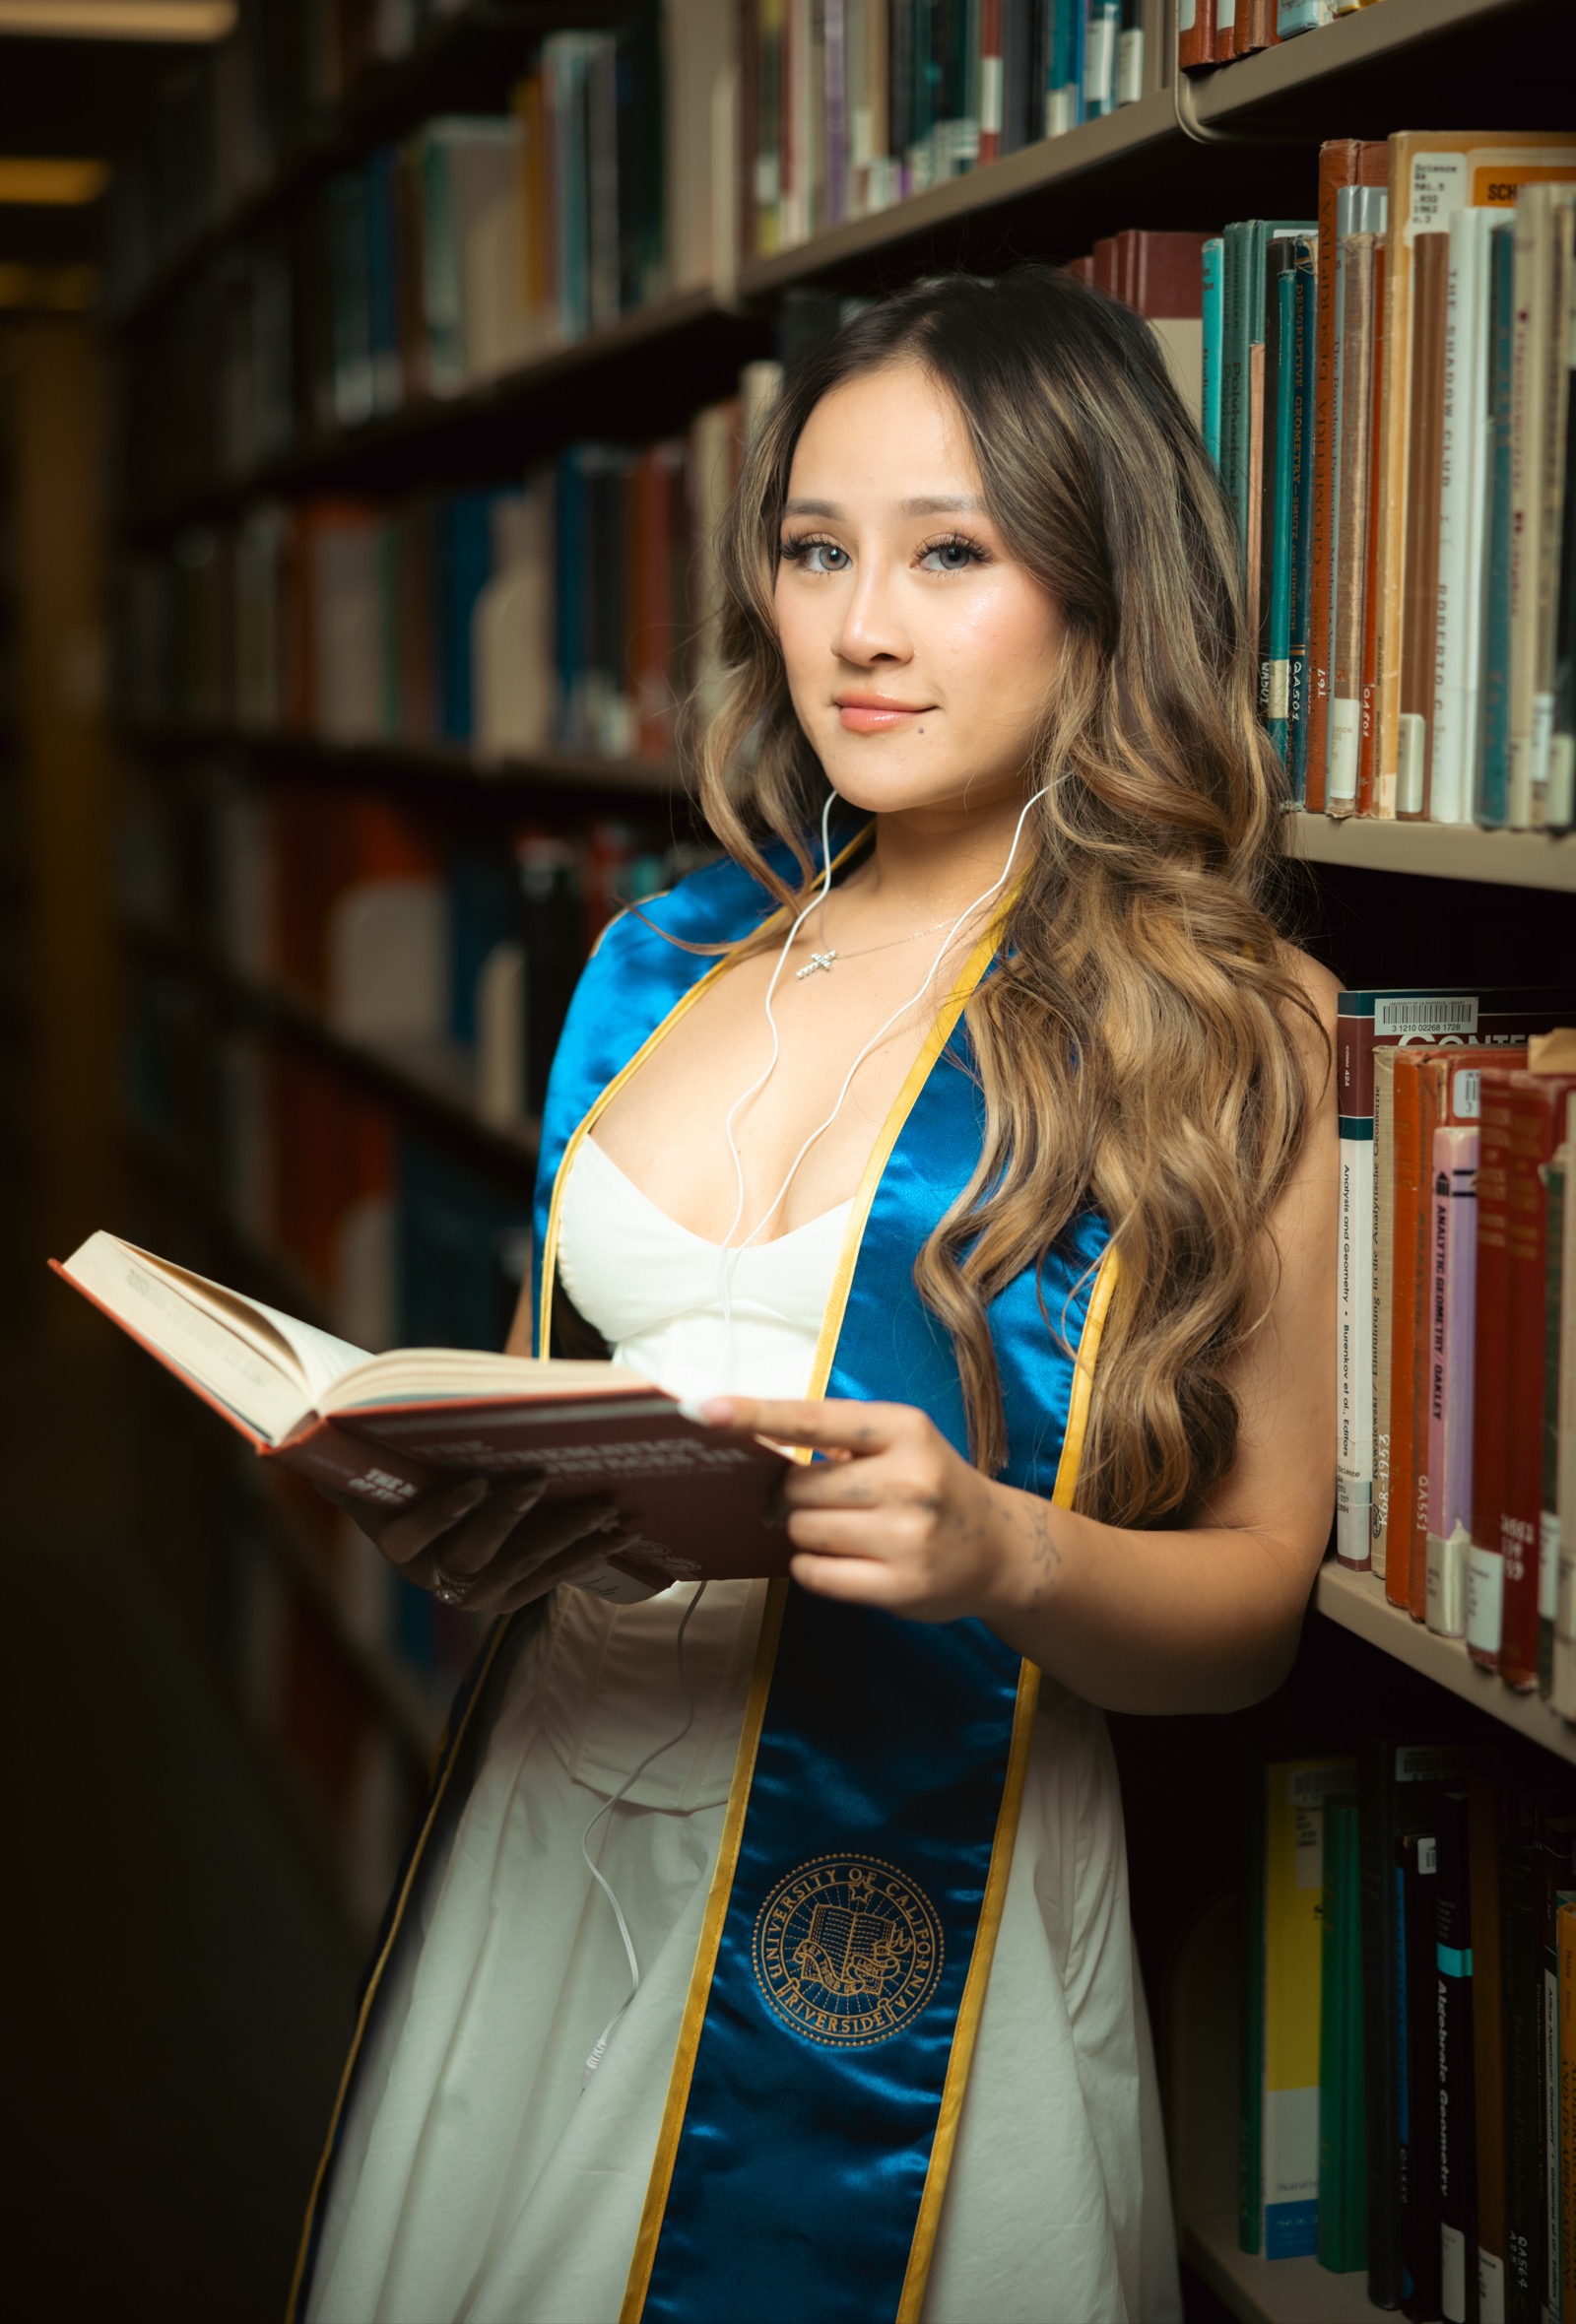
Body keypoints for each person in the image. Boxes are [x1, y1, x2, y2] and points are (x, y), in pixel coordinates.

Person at [293, 265, 1338, 2324]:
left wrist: (1001, 1551)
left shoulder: (1222, 1027)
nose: (858, 626)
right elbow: (547, 1408)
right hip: (547, 1836)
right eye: (811, 547)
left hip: (906, 1914)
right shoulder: (653, 962)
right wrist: (448, 1504)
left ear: (1102, 584)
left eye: (953, 553)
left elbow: (1253, 1608)